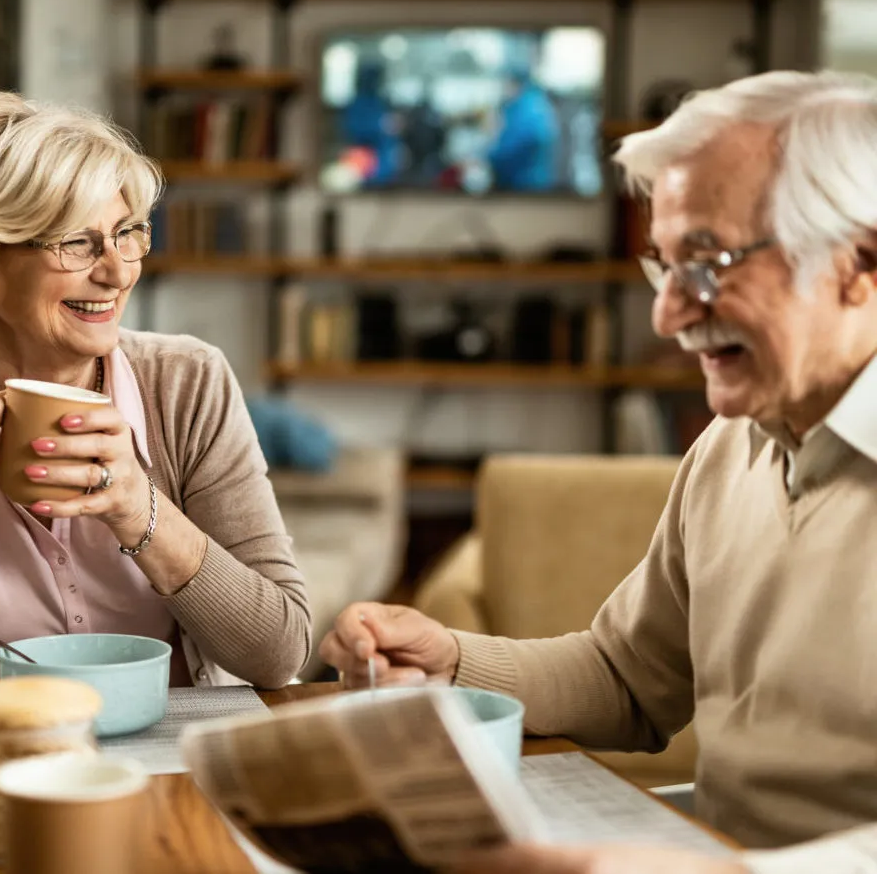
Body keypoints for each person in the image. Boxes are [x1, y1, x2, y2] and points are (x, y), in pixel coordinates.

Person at [321, 70, 877, 868]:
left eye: (709, 261)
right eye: (665, 266)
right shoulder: (731, 444)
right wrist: (451, 659)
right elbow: (628, 677)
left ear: (860, 261)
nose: (668, 312)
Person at [0, 92, 311, 698]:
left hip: (171, 748)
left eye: (128, 233)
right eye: (76, 243)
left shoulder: (188, 382)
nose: (119, 270)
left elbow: (278, 653)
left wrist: (138, 506)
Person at [486, 68, 559, 191]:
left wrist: (488, 156)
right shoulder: (534, 103)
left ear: (515, 83)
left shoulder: (527, 109)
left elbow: (514, 146)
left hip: (525, 183)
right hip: (534, 179)